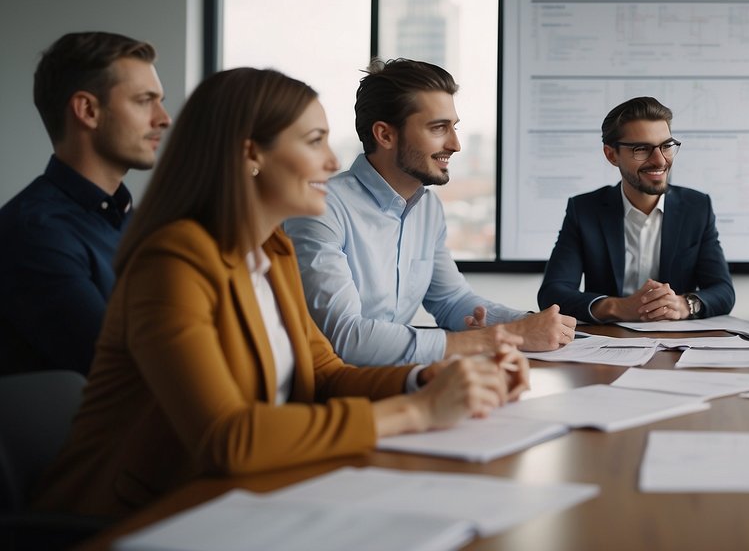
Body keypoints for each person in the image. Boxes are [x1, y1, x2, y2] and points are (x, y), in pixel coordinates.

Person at [34, 68, 527, 518]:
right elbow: (227, 438)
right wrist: (416, 412)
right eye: (315, 141)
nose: (333, 161)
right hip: (134, 518)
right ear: (251, 154)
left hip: (246, 496)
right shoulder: (174, 261)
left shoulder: (273, 251)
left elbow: (327, 375)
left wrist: (429, 379)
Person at [286, 59, 575, 366]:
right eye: (438, 128)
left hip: (399, 378)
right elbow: (345, 338)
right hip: (331, 390)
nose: (455, 144)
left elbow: (452, 301)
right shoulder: (321, 209)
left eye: (454, 127)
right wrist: (505, 335)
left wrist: (531, 322)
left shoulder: (428, 208)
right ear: (385, 135)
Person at [0, 31, 171, 375]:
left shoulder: (136, 223)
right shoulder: (33, 233)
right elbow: (127, 372)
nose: (163, 118)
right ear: (88, 110)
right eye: (144, 101)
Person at [537, 97, 734, 323]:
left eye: (666, 146)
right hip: (608, 345)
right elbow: (552, 293)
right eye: (642, 149)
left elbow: (724, 291)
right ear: (612, 155)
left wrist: (685, 304)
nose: (660, 160)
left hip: (677, 343)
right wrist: (617, 307)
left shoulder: (697, 207)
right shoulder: (584, 210)